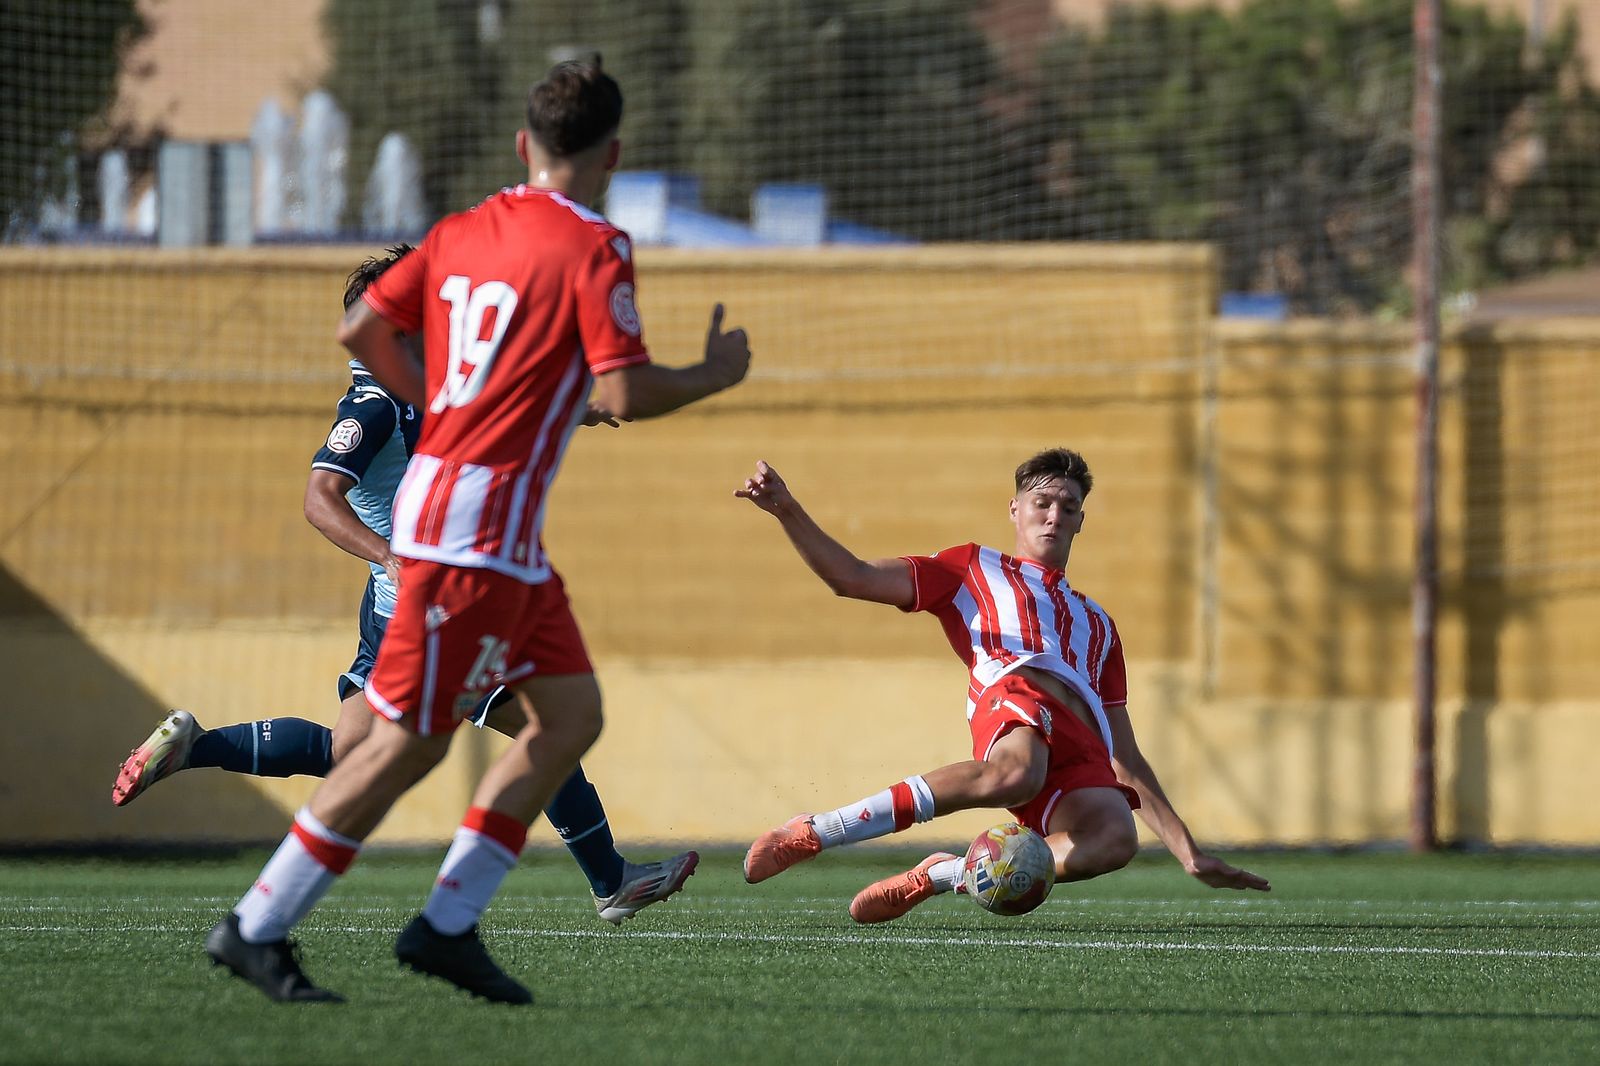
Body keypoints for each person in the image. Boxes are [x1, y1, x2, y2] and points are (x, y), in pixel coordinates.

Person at [203, 58, 750, 1005]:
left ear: (521, 146)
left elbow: (363, 329)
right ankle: (263, 926)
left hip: (490, 540)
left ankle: (446, 923)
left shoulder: (462, 232)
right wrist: (714, 373)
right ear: (614, 153)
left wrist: (447, 404)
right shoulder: (594, 243)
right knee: (401, 746)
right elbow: (623, 388)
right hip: (473, 534)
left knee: (568, 716)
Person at [111, 246, 697, 929]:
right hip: (430, 609)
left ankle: (198, 746)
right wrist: (391, 557)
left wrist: (580, 411)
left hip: (403, 611)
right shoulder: (375, 402)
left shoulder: (426, 385)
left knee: (349, 750)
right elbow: (320, 497)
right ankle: (604, 882)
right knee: (547, 726)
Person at [735, 448, 1269, 923]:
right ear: (1015, 509)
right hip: (1016, 694)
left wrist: (1187, 851)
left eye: (1068, 507)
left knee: (1113, 839)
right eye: (1042, 503)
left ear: (1081, 521)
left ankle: (946, 874)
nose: (1054, 515)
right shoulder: (971, 567)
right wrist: (787, 509)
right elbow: (850, 577)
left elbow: (1123, 751)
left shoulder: (1100, 625)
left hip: (1080, 737)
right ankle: (814, 831)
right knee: (1015, 773)